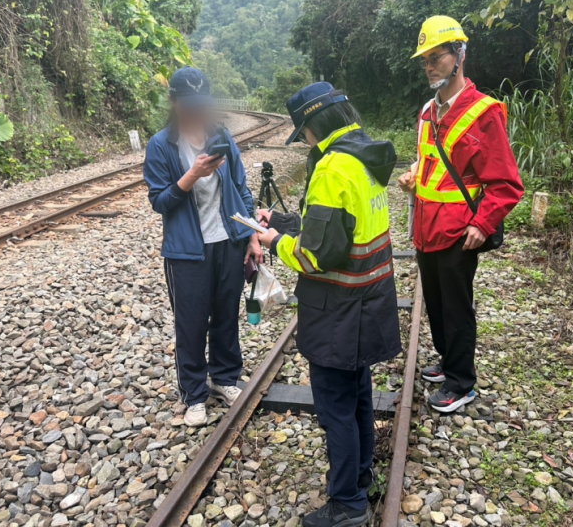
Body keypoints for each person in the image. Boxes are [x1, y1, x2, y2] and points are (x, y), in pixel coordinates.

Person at [256, 82, 400, 527]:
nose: (304, 142)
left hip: (338, 309)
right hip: (368, 300)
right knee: (356, 396)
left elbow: (316, 255)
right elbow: (339, 225)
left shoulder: (332, 167)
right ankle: (361, 476)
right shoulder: (364, 154)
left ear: (312, 126)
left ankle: (347, 505)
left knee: (335, 407)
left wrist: (275, 241)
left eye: (302, 134)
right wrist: (282, 220)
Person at [398, 16, 523, 413]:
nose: (430, 66)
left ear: (460, 55)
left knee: (456, 308)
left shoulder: (483, 113)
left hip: (458, 232)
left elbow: (506, 183)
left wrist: (482, 224)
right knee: (436, 304)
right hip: (425, 227)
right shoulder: (427, 112)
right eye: (425, 60)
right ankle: (448, 361)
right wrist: (413, 175)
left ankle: (462, 382)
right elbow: (428, 162)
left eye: (437, 57)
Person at [144, 66, 263, 427]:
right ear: (174, 101)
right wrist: (193, 174)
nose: (196, 110)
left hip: (227, 241)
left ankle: (224, 377)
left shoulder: (221, 135)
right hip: (186, 250)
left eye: (201, 104)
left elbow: (241, 190)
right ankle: (194, 394)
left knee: (226, 316)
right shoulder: (162, 145)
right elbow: (160, 202)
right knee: (192, 324)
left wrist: (253, 235)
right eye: (188, 104)